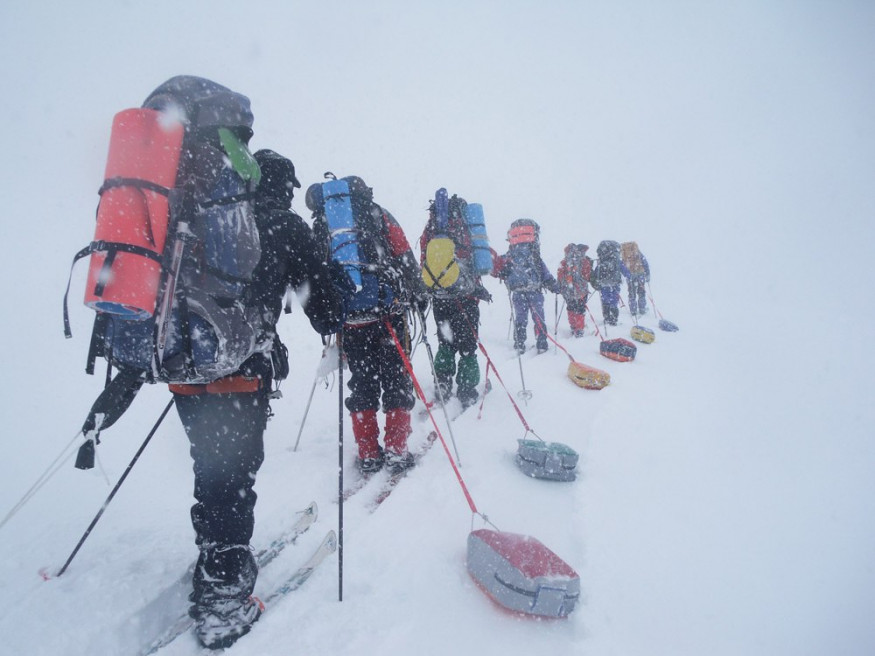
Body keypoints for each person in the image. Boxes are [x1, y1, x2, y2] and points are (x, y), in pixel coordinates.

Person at [79, 149, 346, 650]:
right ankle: (222, 593)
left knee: (213, 468)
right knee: (230, 479)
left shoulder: (202, 216)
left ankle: (216, 549)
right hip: (241, 373)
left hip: (184, 367)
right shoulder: (284, 225)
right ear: (285, 187)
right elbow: (326, 310)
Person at [310, 177, 426, 475]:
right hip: (388, 314)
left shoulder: (325, 223)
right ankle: (398, 450)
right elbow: (403, 255)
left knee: (362, 382)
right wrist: (416, 292)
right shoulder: (378, 214)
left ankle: (368, 453)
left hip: (350, 320)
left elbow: (314, 269)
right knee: (396, 379)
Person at [419, 192, 492, 409]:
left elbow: (424, 257)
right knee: (468, 345)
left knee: (446, 342)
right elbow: (482, 259)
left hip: (440, 297)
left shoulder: (432, 228)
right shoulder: (466, 227)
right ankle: (467, 390)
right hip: (466, 298)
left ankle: (442, 382)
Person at [493, 219, 559, 354]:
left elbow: (498, 268)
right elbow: (544, 273)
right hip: (534, 291)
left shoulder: (510, 255)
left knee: (520, 318)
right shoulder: (534, 256)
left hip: (518, 292)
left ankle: (519, 343)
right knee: (538, 317)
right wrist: (554, 286)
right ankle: (541, 342)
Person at [556, 243, 593, 338]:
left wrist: (560, 287)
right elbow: (587, 276)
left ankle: (573, 326)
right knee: (580, 309)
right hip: (581, 291)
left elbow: (559, 276)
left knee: (571, 307)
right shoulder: (584, 261)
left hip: (567, 291)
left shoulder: (564, 262)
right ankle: (579, 329)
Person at [591, 240, 630, 326]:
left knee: (605, 300)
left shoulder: (602, 260)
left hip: (604, 284)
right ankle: (614, 318)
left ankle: (607, 317)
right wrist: (628, 276)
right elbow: (624, 270)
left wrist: (596, 281)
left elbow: (597, 271)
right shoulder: (617, 260)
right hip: (615, 283)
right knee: (614, 301)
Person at [620, 241, 651, 316]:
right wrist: (647, 273)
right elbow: (645, 262)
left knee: (631, 292)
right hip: (640, 274)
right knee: (641, 291)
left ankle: (633, 310)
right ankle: (642, 308)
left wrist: (623, 275)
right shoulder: (638, 253)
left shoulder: (624, 254)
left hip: (630, 275)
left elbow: (622, 266)